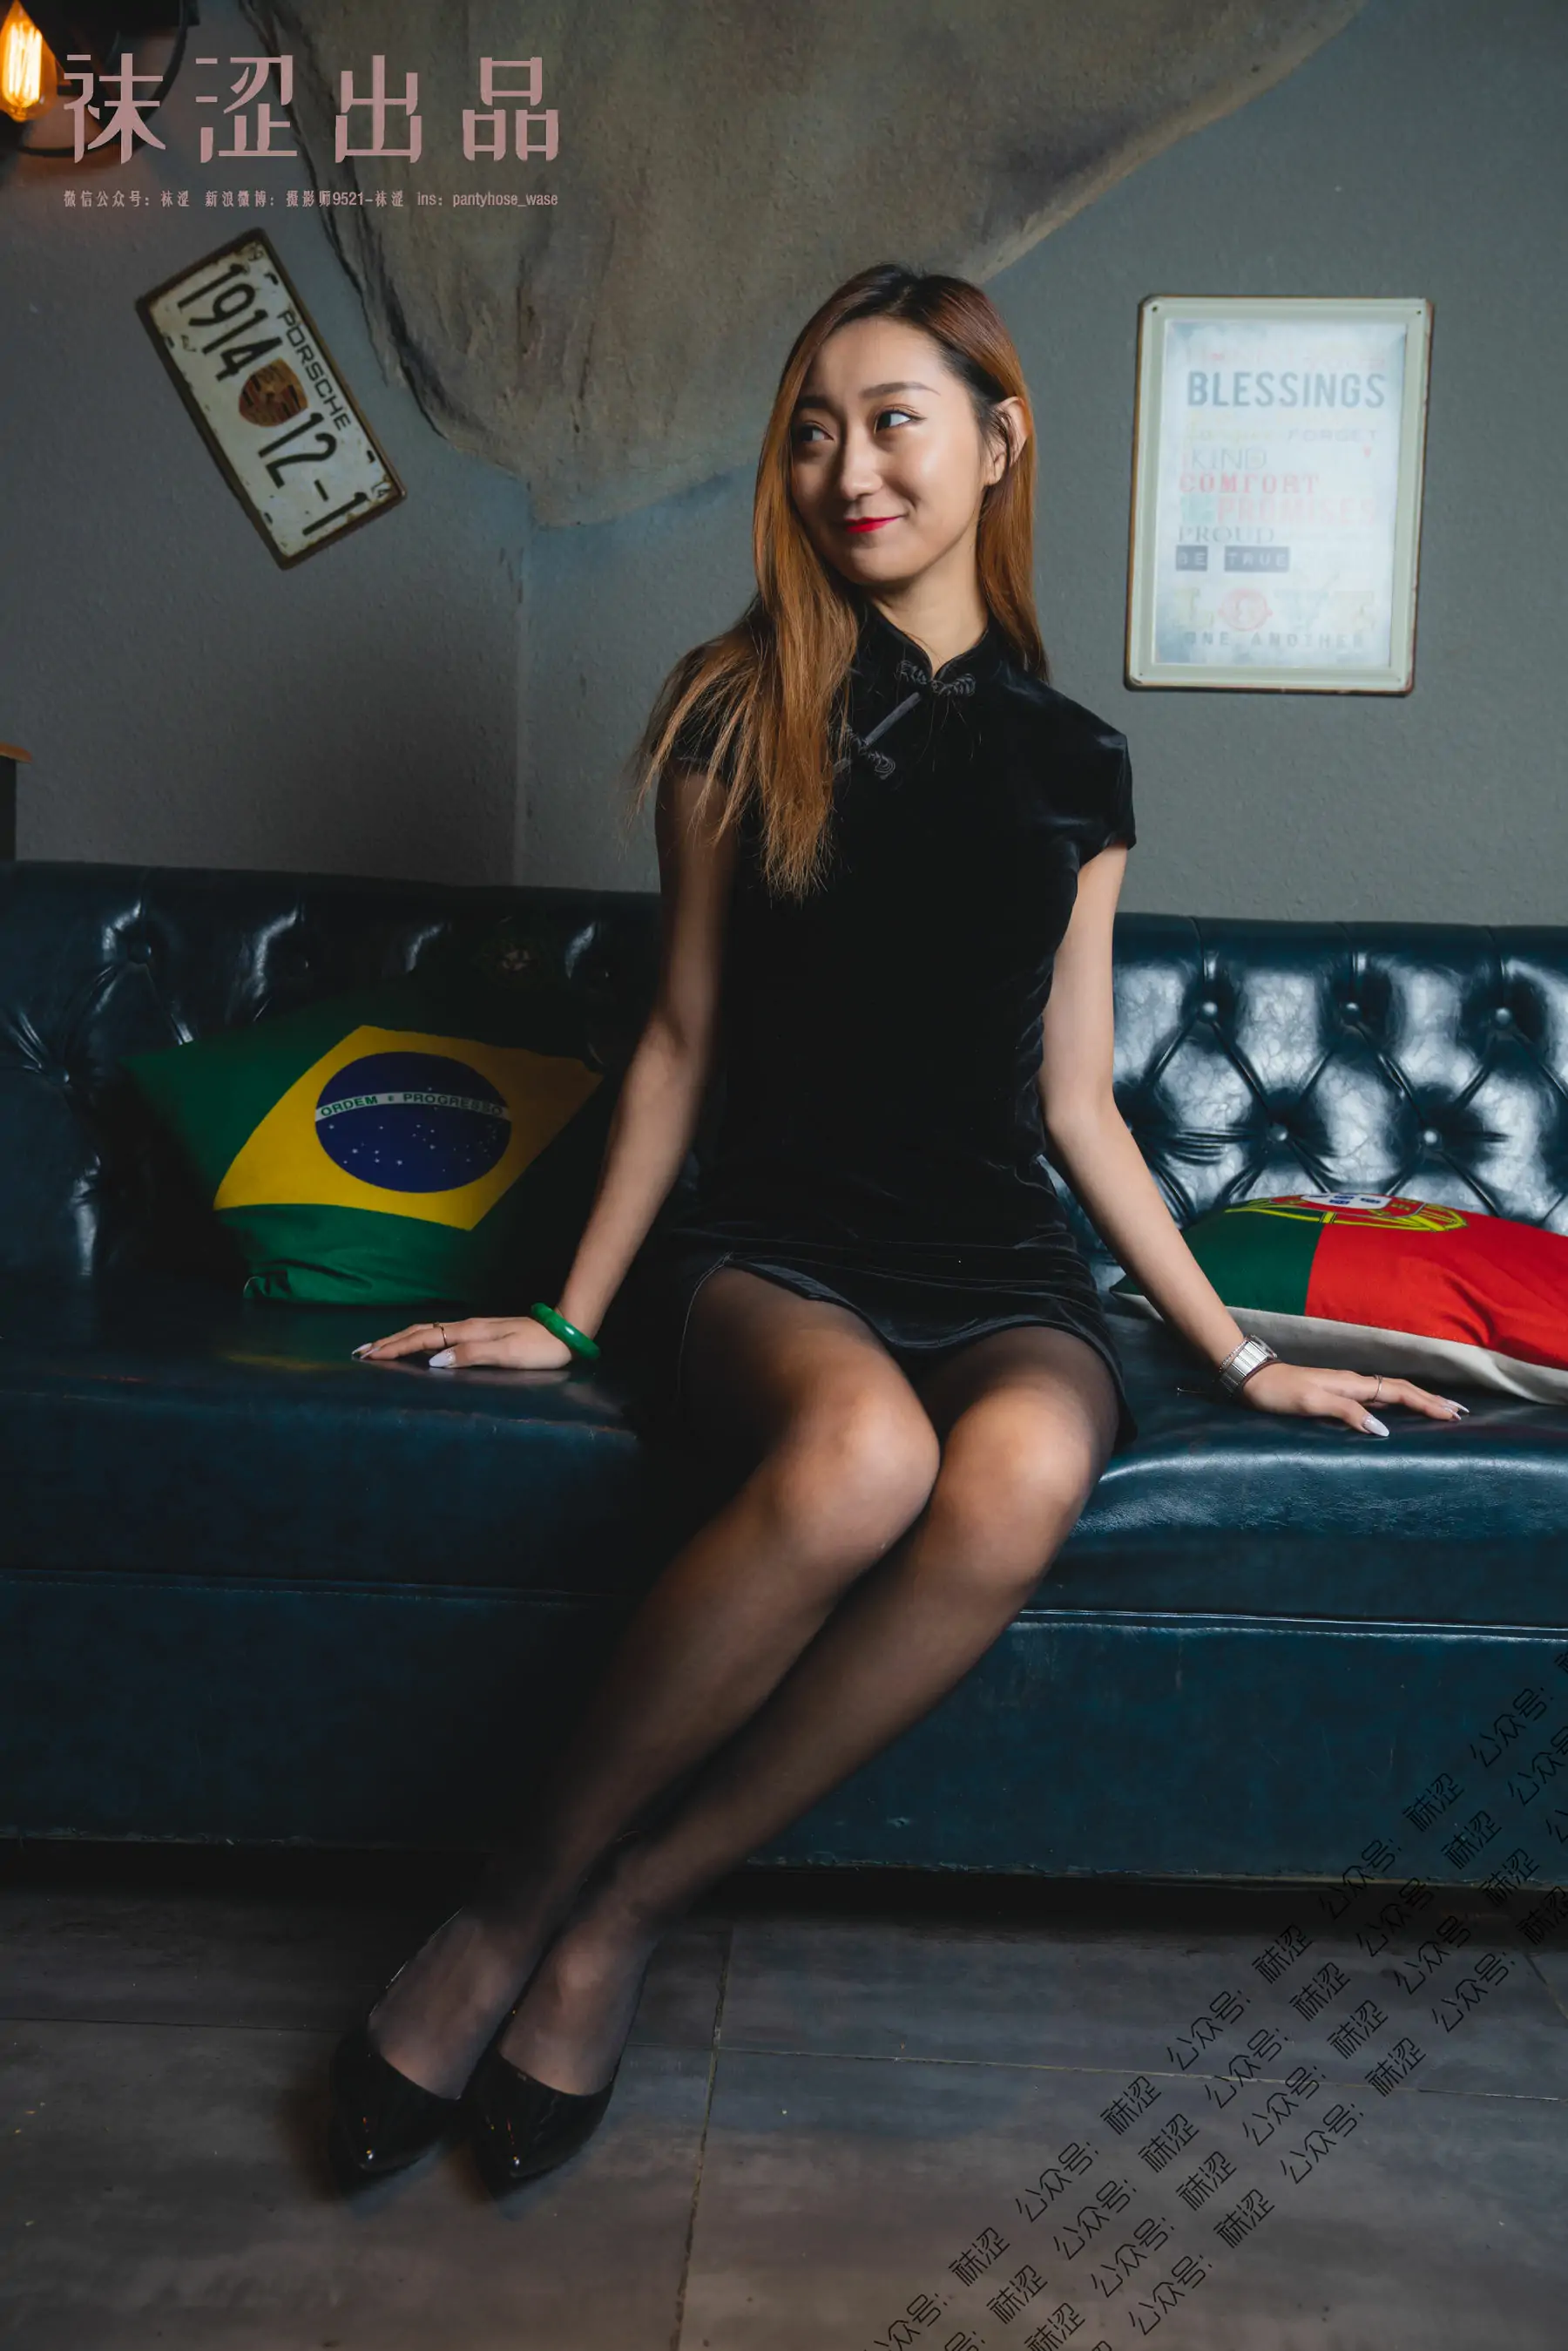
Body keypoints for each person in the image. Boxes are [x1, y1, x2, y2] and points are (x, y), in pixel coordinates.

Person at [331, 261, 1465, 2193]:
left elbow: (1078, 1102)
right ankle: (502, 1910)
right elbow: (680, 1037)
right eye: (811, 432)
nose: (847, 468)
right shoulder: (734, 704)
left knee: (1016, 1470)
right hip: (774, 1250)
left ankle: (627, 1913)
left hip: (999, 1266)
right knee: (863, 1457)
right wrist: (572, 1313)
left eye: (892, 420)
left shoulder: (1078, 765)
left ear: (998, 440)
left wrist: (1243, 1350)